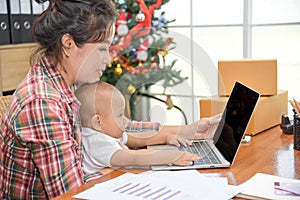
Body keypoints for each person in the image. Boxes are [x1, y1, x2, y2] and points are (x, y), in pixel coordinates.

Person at [0, 0, 118, 199]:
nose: (108, 59)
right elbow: (72, 194)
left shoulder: (71, 80)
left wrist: (166, 133)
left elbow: (115, 121)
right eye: (101, 49)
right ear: (68, 44)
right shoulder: (43, 102)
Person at [75, 81, 221, 173]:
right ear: (98, 122)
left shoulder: (105, 132)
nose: (125, 121)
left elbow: (137, 138)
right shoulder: (98, 142)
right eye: (120, 115)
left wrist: (166, 137)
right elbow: (132, 158)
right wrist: (170, 156)